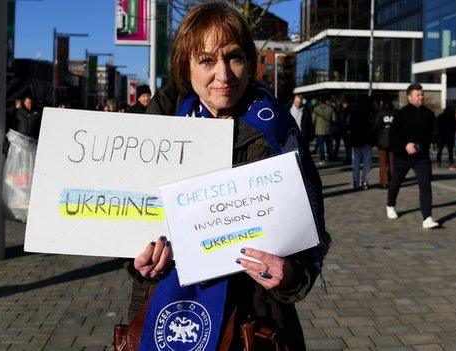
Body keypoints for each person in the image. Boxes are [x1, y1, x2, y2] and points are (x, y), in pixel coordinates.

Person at [124, 3, 330, 350]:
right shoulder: (158, 124)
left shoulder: (276, 130)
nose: (223, 74)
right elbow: (126, 219)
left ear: (248, 61)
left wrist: (289, 274)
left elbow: (307, 235)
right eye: (206, 60)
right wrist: (137, 260)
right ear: (185, 67)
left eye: (234, 57)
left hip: (254, 316)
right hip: (165, 308)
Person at [386, 83, 439, 229]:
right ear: (410, 97)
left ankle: (427, 218)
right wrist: (405, 145)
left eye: (422, 94)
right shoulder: (401, 114)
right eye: (418, 95)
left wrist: (427, 144)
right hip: (402, 157)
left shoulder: (429, 114)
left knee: (425, 186)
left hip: (422, 157)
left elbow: (431, 135)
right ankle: (390, 205)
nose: (421, 97)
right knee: (396, 182)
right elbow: (392, 136)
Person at [349, 100, 374, 190]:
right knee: (366, 163)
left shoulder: (353, 114)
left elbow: (349, 127)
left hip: (356, 141)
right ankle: (364, 181)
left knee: (355, 162)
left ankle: (356, 182)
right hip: (367, 140)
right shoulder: (369, 114)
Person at [373, 96, 396, 188]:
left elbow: (376, 127)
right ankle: (394, 181)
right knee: (393, 162)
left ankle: (384, 182)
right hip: (394, 141)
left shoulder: (381, 113)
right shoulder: (397, 113)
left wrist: (376, 139)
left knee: (383, 162)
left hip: (382, 141)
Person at [312, 97, 335, 166]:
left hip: (319, 130)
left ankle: (322, 159)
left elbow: (313, 120)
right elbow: (334, 119)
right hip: (328, 130)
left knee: (321, 146)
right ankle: (330, 158)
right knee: (329, 145)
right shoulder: (330, 109)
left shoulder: (316, 109)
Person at [435, 105, 456, 170]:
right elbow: (455, 126)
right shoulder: (450, 117)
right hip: (446, 135)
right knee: (446, 150)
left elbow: (437, 126)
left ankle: (439, 162)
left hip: (444, 135)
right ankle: (449, 163)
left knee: (442, 149)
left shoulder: (441, 117)